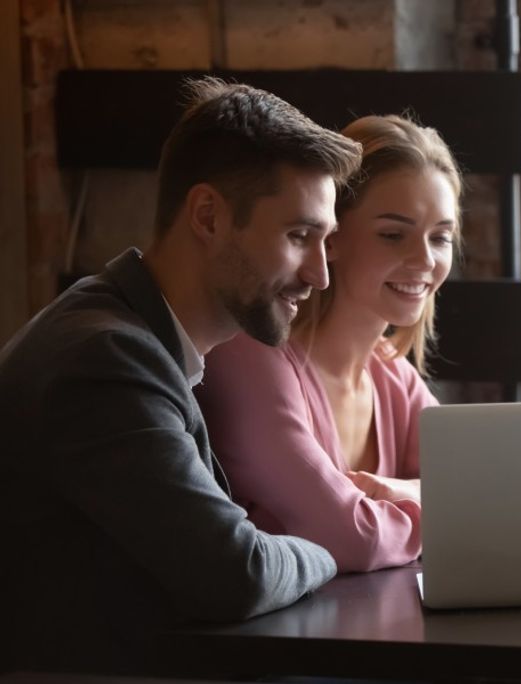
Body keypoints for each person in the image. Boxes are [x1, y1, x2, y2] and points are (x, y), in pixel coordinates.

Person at [0, 77, 362, 670]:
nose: (320, 276)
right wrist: (325, 552)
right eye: (299, 237)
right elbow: (236, 573)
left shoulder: (132, 335)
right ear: (208, 216)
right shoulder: (106, 359)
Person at [195, 114, 461, 573]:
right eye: (393, 234)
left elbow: (490, 492)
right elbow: (355, 538)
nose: (424, 260)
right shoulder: (254, 358)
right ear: (331, 236)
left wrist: (400, 491)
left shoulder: (395, 379)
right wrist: (442, 505)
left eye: (440, 238)